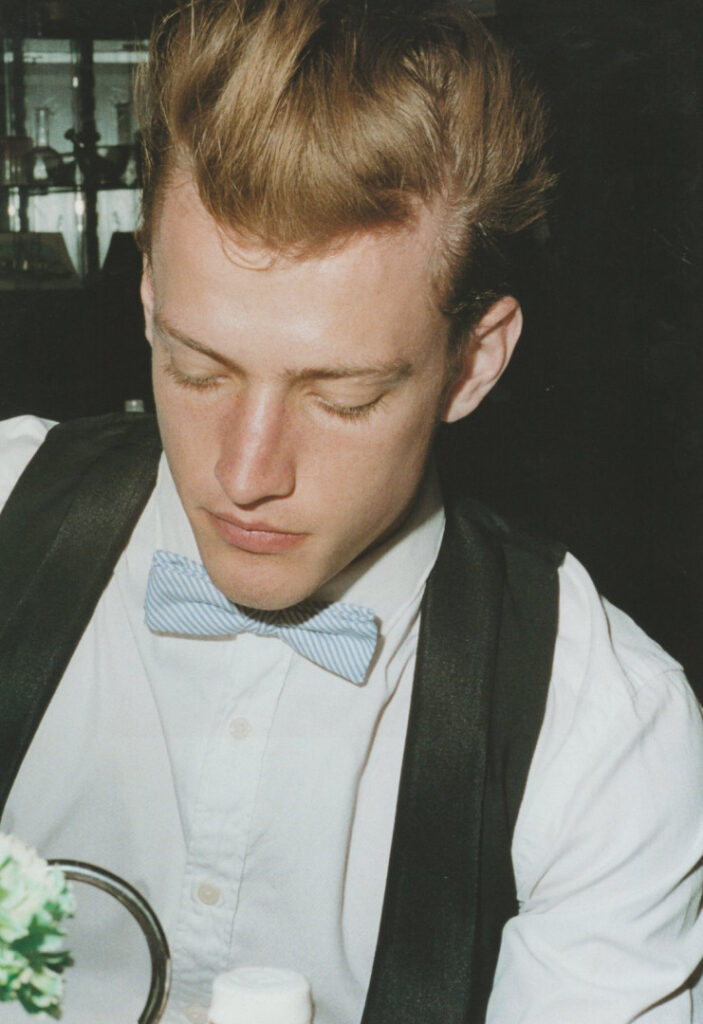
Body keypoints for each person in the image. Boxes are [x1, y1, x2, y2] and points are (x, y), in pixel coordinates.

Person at [1, 1, 702, 1021]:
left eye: (343, 397)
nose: (245, 473)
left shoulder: (604, 737)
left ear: (473, 363)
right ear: (149, 299)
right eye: (197, 370)